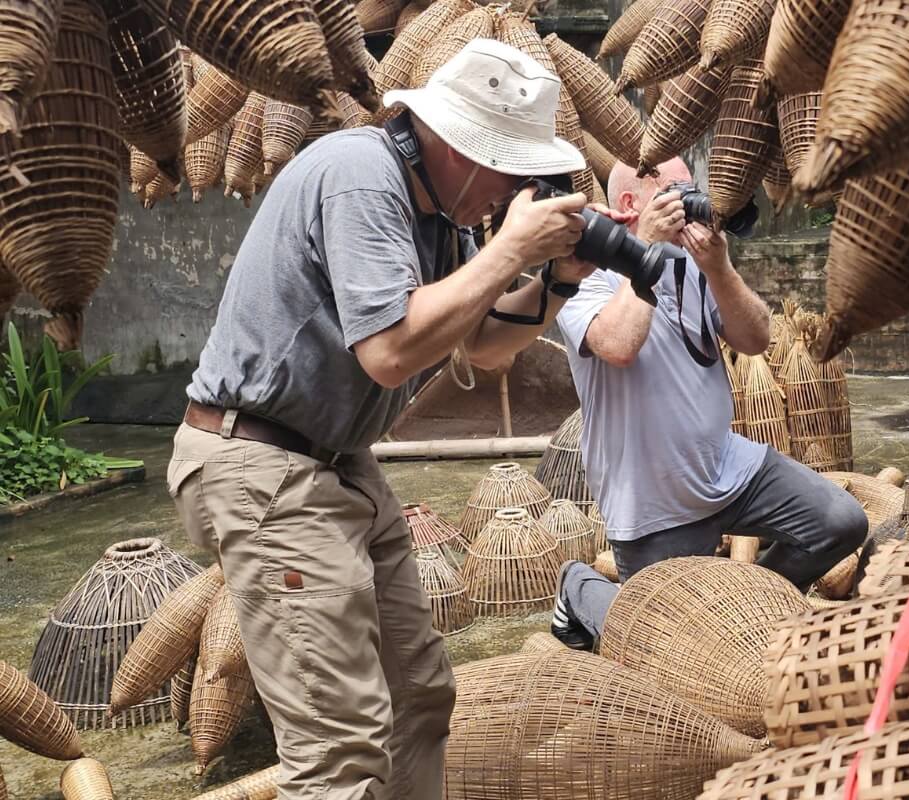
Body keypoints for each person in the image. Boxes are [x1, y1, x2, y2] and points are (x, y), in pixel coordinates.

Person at [165, 40, 618, 800]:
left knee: (418, 697)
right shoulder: (359, 173)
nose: (514, 188)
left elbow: (484, 345)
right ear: (459, 144)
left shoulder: (443, 217)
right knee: (339, 746)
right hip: (263, 464)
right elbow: (389, 352)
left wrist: (558, 281)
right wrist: (508, 250)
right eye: (510, 167)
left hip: (338, 463)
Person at [550, 159, 868, 650]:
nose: (693, 204)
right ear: (634, 205)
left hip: (728, 469)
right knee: (669, 647)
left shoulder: (695, 265)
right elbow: (617, 346)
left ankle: (747, 609)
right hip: (651, 499)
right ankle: (580, 587)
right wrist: (647, 252)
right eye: (679, 192)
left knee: (840, 522)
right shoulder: (587, 270)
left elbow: (757, 337)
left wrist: (719, 268)